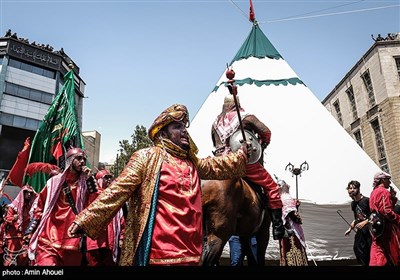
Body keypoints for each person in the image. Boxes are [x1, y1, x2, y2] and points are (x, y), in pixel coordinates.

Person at [68, 104, 249, 266]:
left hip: (192, 254)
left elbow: (219, 166)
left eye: (184, 126)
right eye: (177, 126)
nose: (184, 131)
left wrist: (241, 154)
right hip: (159, 254)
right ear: (162, 133)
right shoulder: (147, 157)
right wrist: (86, 219)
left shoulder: (193, 163)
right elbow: (118, 190)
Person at [211, 94, 284, 240]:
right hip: (242, 162)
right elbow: (266, 132)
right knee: (272, 186)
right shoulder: (246, 117)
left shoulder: (215, 122)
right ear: (237, 104)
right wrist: (261, 144)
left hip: (221, 164)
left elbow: (215, 143)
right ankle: (278, 226)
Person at [23, 147, 98, 266]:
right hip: (48, 239)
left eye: (84, 159)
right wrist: (30, 230)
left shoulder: (86, 186)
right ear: (70, 160)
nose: (83, 161)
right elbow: (40, 208)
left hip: (73, 241)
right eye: (78, 158)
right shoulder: (53, 183)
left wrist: (91, 180)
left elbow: (95, 205)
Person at [85, 169, 125, 266]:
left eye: (110, 178)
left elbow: (121, 219)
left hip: (109, 244)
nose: (109, 180)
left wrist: (121, 237)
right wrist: (89, 177)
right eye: (106, 178)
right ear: (99, 180)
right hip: (94, 243)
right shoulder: (93, 195)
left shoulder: (114, 198)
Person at [369, 172, 400, 266]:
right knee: (394, 253)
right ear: (382, 180)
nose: (390, 183)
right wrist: (398, 218)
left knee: (379, 254)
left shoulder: (373, 192)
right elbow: (386, 211)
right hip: (386, 228)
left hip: (376, 229)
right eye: (388, 180)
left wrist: (392, 198)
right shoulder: (383, 191)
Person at [276, 178, 308, 266]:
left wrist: (296, 206)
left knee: (286, 250)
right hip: (292, 230)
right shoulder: (286, 197)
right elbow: (291, 214)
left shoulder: (279, 198)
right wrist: (298, 219)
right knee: (294, 249)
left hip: (283, 230)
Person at [2, 185, 37, 266]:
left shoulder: (30, 208)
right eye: (27, 192)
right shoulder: (13, 207)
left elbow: (39, 199)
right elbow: (7, 218)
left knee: (24, 259)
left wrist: (34, 192)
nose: (29, 194)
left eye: (30, 193)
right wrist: (14, 218)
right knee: (10, 260)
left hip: (24, 238)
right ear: (22, 193)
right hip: (13, 238)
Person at [343, 180, 371, 266]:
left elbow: (374, 215)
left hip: (369, 230)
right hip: (360, 231)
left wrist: (364, 223)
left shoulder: (367, 200)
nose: (351, 190)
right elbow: (357, 218)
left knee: (368, 250)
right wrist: (350, 229)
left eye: (354, 188)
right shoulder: (353, 204)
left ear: (358, 189)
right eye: (350, 188)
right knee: (357, 248)